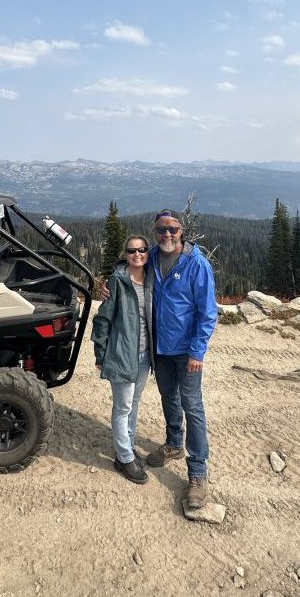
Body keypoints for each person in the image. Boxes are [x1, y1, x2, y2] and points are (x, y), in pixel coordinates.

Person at [100, 210, 218, 508]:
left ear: (182, 230)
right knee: (169, 397)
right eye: (161, 230)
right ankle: (174, 443)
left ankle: (197, 473)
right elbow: (130, 262)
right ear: (155, 232)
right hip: (160, 350)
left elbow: (208, 312)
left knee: (193, 406)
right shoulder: (152, 256)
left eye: (173, 229)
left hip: (187, 351)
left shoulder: (197, 264)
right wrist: (107, 280)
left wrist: (197, 351)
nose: (167, 234)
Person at [91, 235, 154, 484]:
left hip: (145, 355)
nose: (137, 254)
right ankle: (124, 457)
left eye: (142, 249)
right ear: (125, 255)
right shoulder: (117, 281)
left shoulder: (151, 279)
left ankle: (127, 446)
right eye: (131, 250)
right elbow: (103, 319)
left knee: (133, 403)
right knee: (123, 407)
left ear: (148, 252)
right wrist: (100, 353)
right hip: (123, 354)